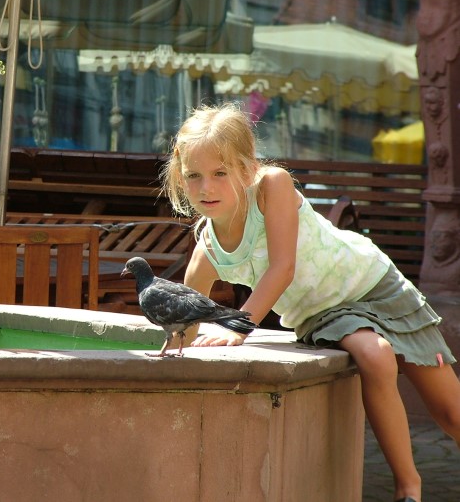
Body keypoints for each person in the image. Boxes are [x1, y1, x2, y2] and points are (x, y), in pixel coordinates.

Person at [161, 102, 460, 502]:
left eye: (220, 173)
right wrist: (172, 349)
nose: (205, 188)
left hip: (374, 281)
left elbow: (283, 268)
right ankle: (409, 488)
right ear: (180, 177)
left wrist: (239, 327)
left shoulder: (272, 185)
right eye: (193, 176)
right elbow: (185, 319)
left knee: (451, 414)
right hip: (325, 313)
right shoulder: (207, 253)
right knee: (376, 357)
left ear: (247, 168)